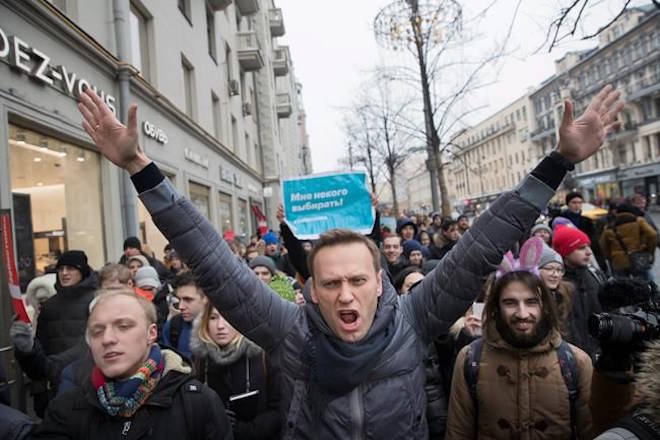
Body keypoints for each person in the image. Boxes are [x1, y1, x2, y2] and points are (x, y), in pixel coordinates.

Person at [77, 83, 623, 438]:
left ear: (380, 285)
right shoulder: (290, 331)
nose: (345, 294)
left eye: (358, 280)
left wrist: (558, 163)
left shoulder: (413, 320)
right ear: (309, 290)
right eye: (330, 282)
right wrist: (141, 169)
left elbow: (483, 243)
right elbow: (213, 260)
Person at [32, 289, 232, 439]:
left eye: (124, 326)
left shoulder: (197, 403)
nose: (108, 338)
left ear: (151, 334)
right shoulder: (66, 410)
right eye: (97, 331)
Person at [446, 238, 594, 439]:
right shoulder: (470, 360)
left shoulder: (576, 362)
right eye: (510, 303)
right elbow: (458, 432)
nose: (522, 313)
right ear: (496, 307)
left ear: (545, 306)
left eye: (531, 302)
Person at [12, 250, 98, 417]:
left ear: (82, 271)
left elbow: (89, 346)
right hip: (53, 391)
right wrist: (27, 350)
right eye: (61, 269)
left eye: (71, 268)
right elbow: (40, 353)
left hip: (86, 386)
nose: (64, 273)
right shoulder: (49, 306)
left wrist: (52, 366)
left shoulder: (96, 301)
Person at [191, 304, 282, 439]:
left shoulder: (263, 355)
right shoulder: (199, 360)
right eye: (213, 318)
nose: (220, 325)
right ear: (204, 322)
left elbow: (280, 407)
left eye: (228, 318)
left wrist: (244, 429)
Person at [553, 225, 604, 361]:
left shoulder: (595, 276)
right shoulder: (555, 283)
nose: (589, 252)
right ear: (565, 252)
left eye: (588, 246)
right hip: (570, 354)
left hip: (597, 351)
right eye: (581, 248)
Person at [599, 203, 657, 279]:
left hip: (618, 262)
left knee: (623, 287)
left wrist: (611, 256)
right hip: (638, 259)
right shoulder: (638, 221)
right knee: (644, 283)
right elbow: (652, 234)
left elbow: (603, 245)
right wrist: (648, 250)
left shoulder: (609, 227)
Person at [161, 271, 207, 359]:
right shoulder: (172, 326)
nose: (181, 306)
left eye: (188, 300)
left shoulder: (222, 327)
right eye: (179, 299)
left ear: (205, 298)